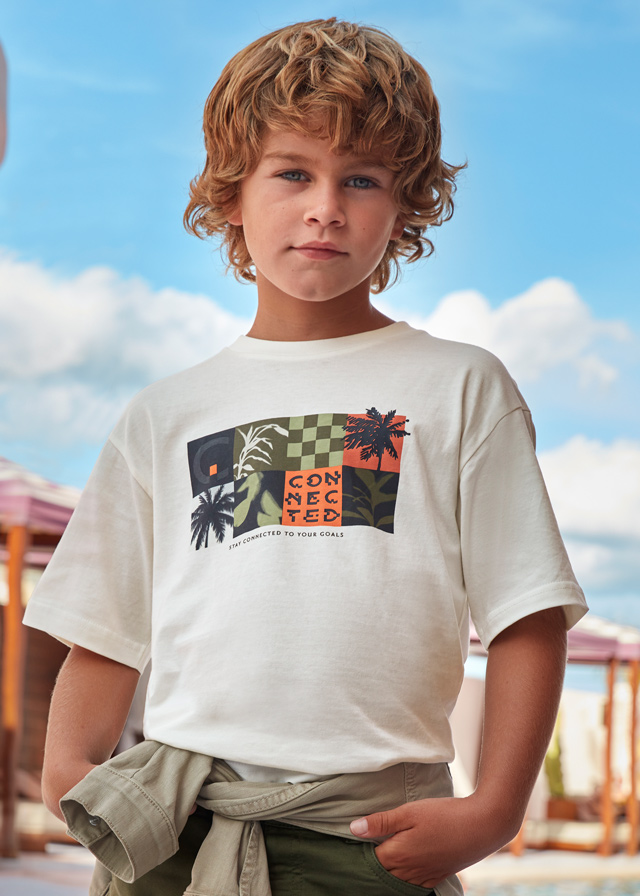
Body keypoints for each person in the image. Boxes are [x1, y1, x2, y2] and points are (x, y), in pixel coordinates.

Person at [24, 17, 587, 896]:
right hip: (171, 835)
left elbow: (528, 617)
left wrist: (495, 810)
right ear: (231, 194)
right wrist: (69, 774)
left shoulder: (461, 388)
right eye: (293, 172)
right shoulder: (162, 415)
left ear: (404, 205)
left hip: (374, 837)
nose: (326, 206)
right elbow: (104, 631)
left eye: (360, 178)